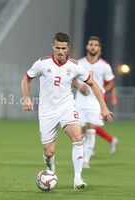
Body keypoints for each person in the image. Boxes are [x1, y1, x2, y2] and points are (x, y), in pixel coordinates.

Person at [21, 32, 113, 190]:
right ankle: (51, 172)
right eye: (57, 47)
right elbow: (26, 79)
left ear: (68, 48)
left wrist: (103, 107)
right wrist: (26, 97)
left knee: (77, 137)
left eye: (63, 48)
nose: (60, 51)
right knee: (49, 152)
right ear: (53, 46)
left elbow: (93, 84)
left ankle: (78, 178)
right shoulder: (42, 63)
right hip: (47, 111)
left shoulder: (75, 66)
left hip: (67, 108)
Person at [73, 36, 118, 169]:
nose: (93, 47)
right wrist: (78, 86)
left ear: (99, 48)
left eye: (96, 45)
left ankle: (86, 160)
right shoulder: (79, 63)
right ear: (87, 47)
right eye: (91, 44)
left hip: (95, 102)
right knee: (79, 133)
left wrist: (103, 90)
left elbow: (111, 82)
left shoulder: (104, 65)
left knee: (92, 130)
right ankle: (80, 157)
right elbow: (71, 79)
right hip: (80, 102)